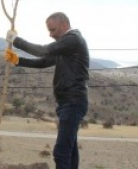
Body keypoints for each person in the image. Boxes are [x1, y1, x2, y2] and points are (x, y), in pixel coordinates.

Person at [5, 12, 89, 169]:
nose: (50, 35)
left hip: (73, 102)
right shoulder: (66, 46)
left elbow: (42, 51)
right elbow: (43, 62)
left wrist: (16, 40)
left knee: (61, 152)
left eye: (53, 30)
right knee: (70, 150)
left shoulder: (73, 39)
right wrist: (17, 60)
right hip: (68, 102)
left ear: (64, 26)